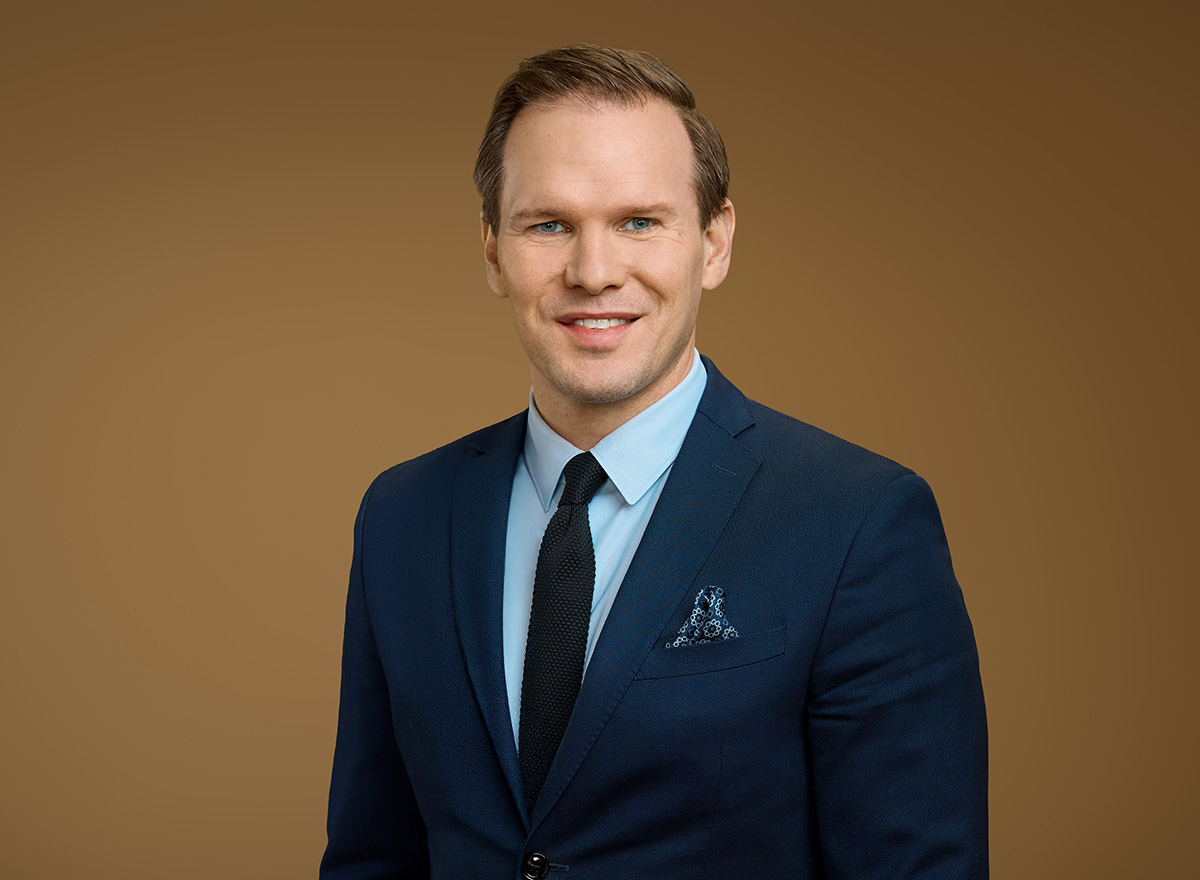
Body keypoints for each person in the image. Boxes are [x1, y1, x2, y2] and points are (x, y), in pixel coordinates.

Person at [320, 44, 987, 880]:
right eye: (549, 225)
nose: (594, 273)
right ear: (492, 250)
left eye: (639, 221)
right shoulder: (402, 515)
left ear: (715, 241)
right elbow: (372, 857)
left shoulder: (856, 523)